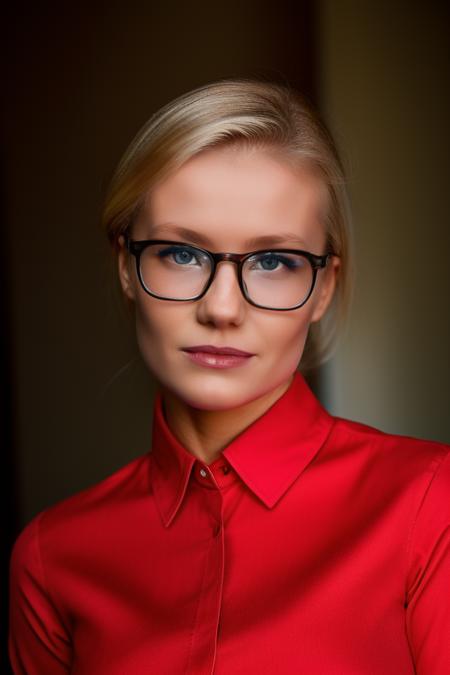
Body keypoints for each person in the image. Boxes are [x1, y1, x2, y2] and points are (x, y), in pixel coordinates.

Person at [9, 79, 450, 674]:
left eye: (274, 262)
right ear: (125, 267)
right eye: (181, 253)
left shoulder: (430, 507)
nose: (221, 309)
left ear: (322, 287)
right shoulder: (51, 557)